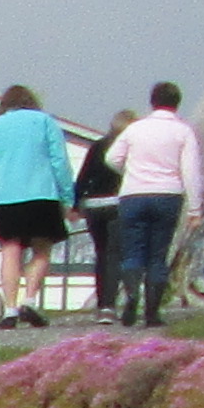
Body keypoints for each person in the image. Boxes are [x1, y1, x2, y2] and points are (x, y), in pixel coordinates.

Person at [0, 85, 76, 328]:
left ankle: (10, 308)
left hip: (3, 198)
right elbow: (59, 161)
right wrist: (68, 196)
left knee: (10, 251)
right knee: (42, 249)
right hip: (41, 194)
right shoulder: (45, 122)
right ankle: (31, 299)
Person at [104, 81, 204, 326]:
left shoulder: (135, 129)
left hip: (133, 194)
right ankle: (152, 313)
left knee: (132, 252)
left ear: (152, 102)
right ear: (177, 103)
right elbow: (191, 171)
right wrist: (195, 208)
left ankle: (131, 294)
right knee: (158, 255)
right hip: (167, 195)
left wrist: (129, 172)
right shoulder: (183, 131)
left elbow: (111, 158)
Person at [74, 111, 128, 320]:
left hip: (94, 205)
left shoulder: (98, 146)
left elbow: (83, 176)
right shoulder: (127, 148)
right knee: (114, 254)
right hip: (117, 203)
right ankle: (109, 305)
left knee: (101, 253)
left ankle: (102, 301)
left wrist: (76, 203)